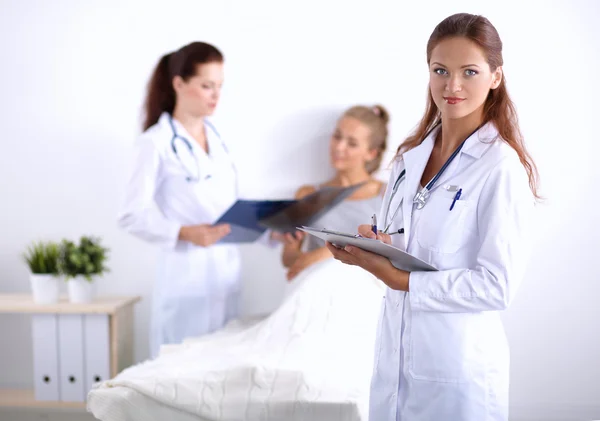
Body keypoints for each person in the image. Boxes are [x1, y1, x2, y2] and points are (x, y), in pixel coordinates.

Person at [327, 13, 539, 421]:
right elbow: (418, 241)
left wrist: (403, 281)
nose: (452, 86)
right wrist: (382, 245)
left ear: (496, 76)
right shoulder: (412, 155)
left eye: (469, 72)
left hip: (456, 369)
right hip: (397, 358)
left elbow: (497, 286)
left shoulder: (499, 166)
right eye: (440, 70)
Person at [118, 42, 242, 358]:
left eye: (219, 86)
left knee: (221, 374)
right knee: (178, 376)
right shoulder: (154, 144)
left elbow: (225, 206)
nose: (216, 95)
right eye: (206, 85)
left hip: (225, 274)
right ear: (178, 84)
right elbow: (132, 214)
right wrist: (185, 232)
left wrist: (272, 228)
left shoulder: (218, 139)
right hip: (185, 276)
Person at [282, 104, 390, 281]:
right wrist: (293, 247)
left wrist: (324, 254)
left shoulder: (388, 194)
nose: (339, 147)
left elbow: (392, 254)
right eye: (337, 136)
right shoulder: (308, 194)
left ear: (371, 153)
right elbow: (289, 260)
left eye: (352, 143)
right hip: (317, 284)